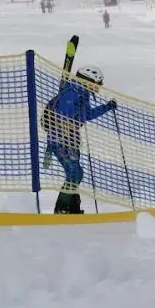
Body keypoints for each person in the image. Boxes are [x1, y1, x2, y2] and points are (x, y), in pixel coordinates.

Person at [43, 65, 118, 214]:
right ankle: (62, 209)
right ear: (88, 80)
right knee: (74, 173)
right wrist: (70, 126)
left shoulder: (83, 93)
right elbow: (63, 115)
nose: (100, 85)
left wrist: (107, 107)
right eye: (98, 82)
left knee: (76, 173)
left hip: (70, 139)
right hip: (60, 139)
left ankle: (72, 207)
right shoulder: (72, 93)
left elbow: (87, 115)